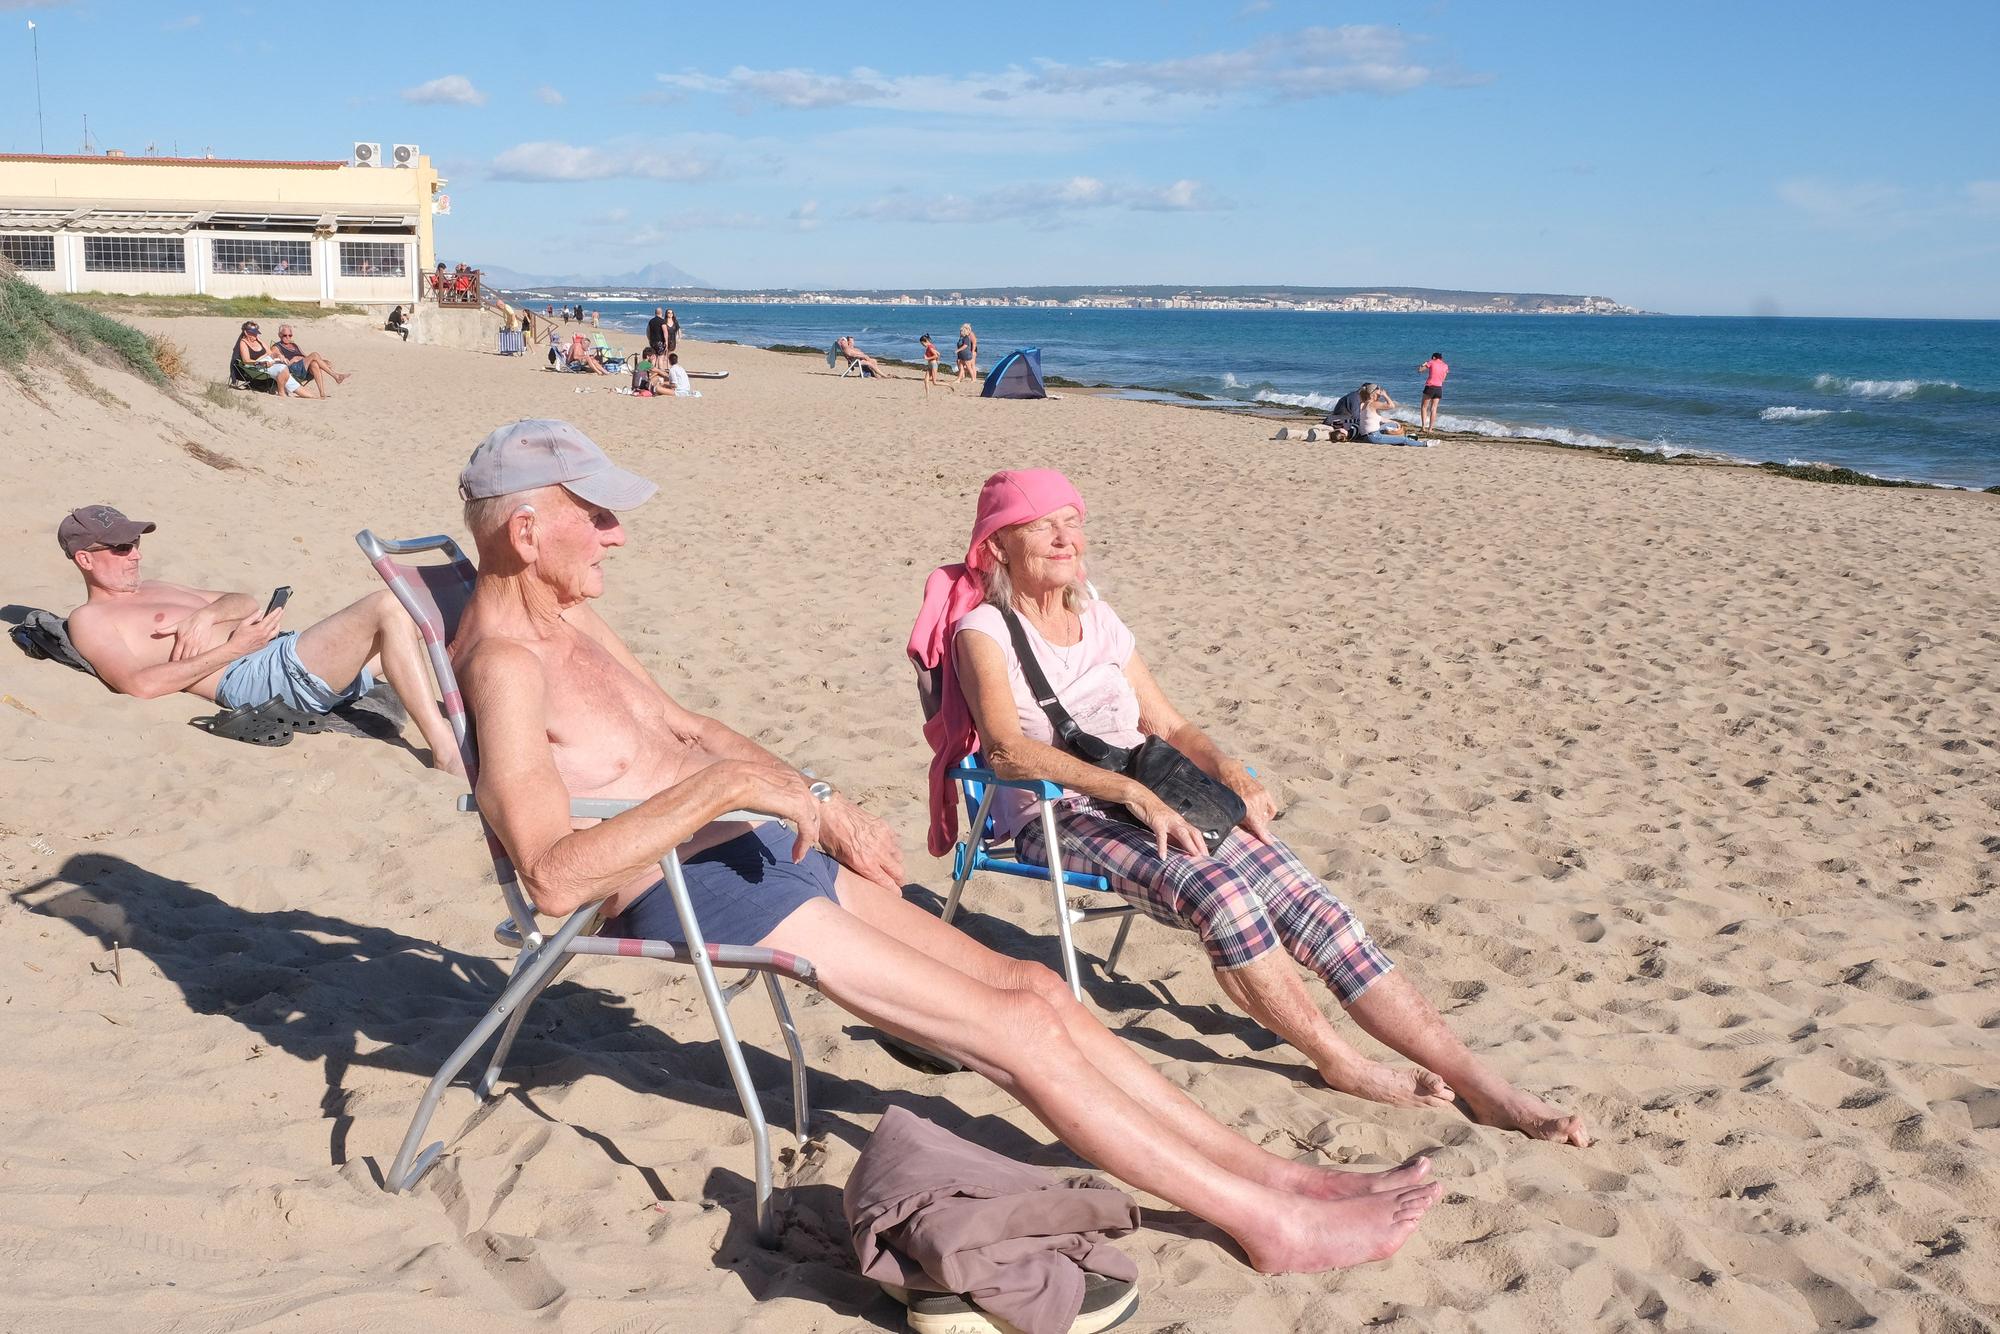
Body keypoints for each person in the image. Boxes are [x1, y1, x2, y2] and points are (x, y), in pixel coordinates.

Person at [450, 421, 1443, 1273]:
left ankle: (1278, 1172)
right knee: (1006, 1032)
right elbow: (549, 874)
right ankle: (1263, 1221)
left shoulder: (576, 622)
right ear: (528, 530)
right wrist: (738, 789)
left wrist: (816, 797)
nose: (618, 533)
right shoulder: (505, 663)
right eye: (597, 514)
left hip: (747, 844)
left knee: (1039, 991)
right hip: (695, 887)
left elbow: (692, 727)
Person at [919, 470, 1588, 1146]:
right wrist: (1128, 793)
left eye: (1073, 520)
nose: (1067, 537)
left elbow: (1173, 729)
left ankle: (1481, 1083)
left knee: (1315, 909)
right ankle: (1341, 1063)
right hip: (1059, 813)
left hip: (1151, 789)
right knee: (1224, 896)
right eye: (1044, 525)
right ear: (997, 546)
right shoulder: (986, 631)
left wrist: (1230, 772)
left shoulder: (1095, 613)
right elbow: (1006, 752)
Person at [56, 505, 462, 776]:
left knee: (415, 616)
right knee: (388, 607)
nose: (136, 555)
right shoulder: (91, 619)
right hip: (253, 678)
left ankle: (477, 711)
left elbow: (244, 600)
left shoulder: (156, 585)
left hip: (279, 651)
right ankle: (445, 751)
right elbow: (138, 685)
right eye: (122, 548)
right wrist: (233, 649)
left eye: (137, 544)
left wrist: (207, 615)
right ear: (85, 559)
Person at [232, 322, 320, 399]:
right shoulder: (243, 343)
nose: (254, 336)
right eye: (252, 333)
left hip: (269, 362)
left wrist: (279, 355)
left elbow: (270, 353)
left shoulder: (258, 340)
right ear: (245, 332)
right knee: (282, 369)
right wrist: (261, 362)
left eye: (256, 333)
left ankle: (313, 397)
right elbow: (246, 360)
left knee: (288, 377)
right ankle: (281, 392)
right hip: (256, 365)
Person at [1327, 383, 1423, 447]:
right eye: (1378, 394)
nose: (1379, 395)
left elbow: (1373, 418)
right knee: (1403, 439)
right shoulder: (1372, 404)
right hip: (1372, 435)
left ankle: (1405, 436)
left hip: (1368, 432)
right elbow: (1392, 406)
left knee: (1393, 425)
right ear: (1372, 394)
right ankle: (1423, 444)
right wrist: (1385, 395)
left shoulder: (1363, 403)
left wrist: (1391, 421)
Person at [273, 324, 352, 391]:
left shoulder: (294, 345)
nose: (288, 337)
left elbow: (305, 356)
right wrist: (293, 360)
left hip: (303, 367)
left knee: (315, 363)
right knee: (314, 354)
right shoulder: (276, 347)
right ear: (279, 335)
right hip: (293, 369)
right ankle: (336, 376)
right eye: (285, 335)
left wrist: (321, 361)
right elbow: (276, 362)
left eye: (290, 335)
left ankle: (322, 394)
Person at [1417, 353, 1449, 433]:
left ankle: (1423, 427)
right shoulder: (1445, 365)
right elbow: (1443, 379)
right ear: (1441, 358)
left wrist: (1423, 364)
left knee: (1424, 407)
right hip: (1439, 388)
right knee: (1434, 409)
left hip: (1430, 386)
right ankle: (1430, 429)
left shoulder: (1431, 362)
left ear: (1434, 357)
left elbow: (1420, 370)